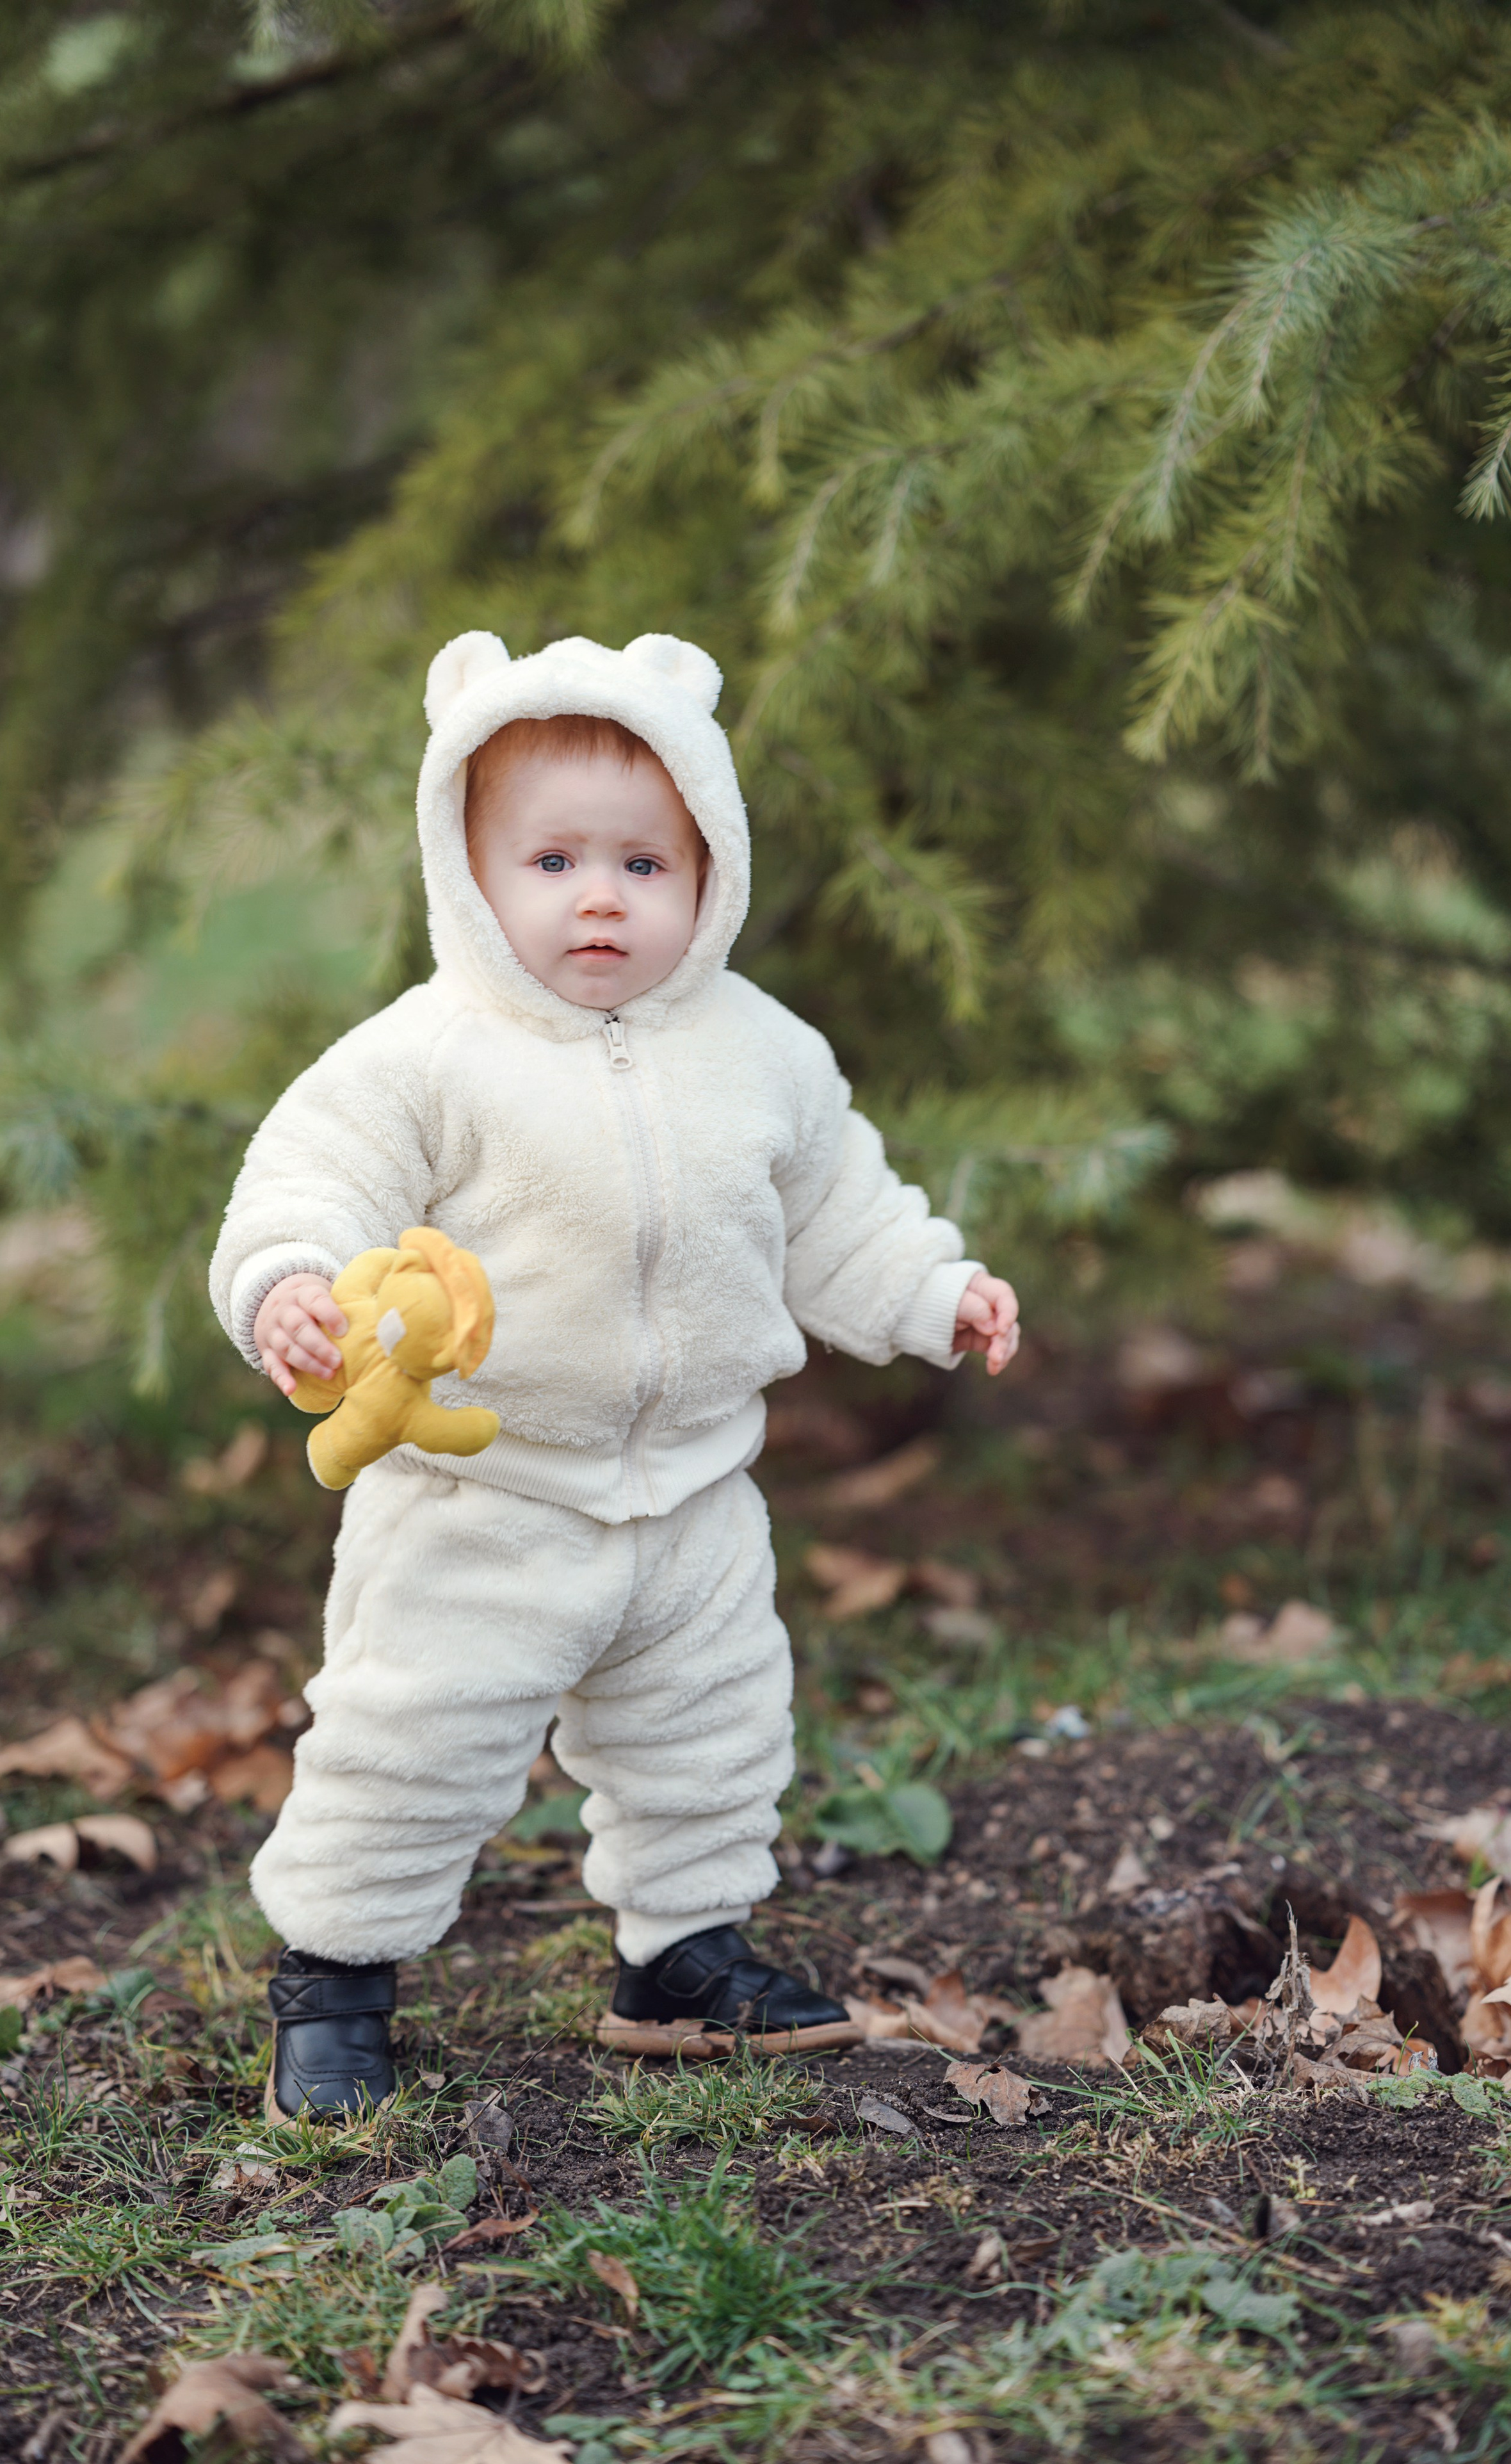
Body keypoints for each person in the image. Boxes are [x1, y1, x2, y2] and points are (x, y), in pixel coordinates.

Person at [210, 629, 1020, 2119]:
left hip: (694, 1489)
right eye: (553, 861)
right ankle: (334, 1979)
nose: (600, 895)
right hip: (481, 1489)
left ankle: (683, 1956)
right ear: (466, 869)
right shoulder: (424, 1055)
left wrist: (930, 1289)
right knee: (412, 1737)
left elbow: (834, 1207)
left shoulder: (759, 1050)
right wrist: (290, 1289)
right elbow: (306, 1178)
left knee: (712, 1739)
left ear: (709, 873)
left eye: (646, 865)